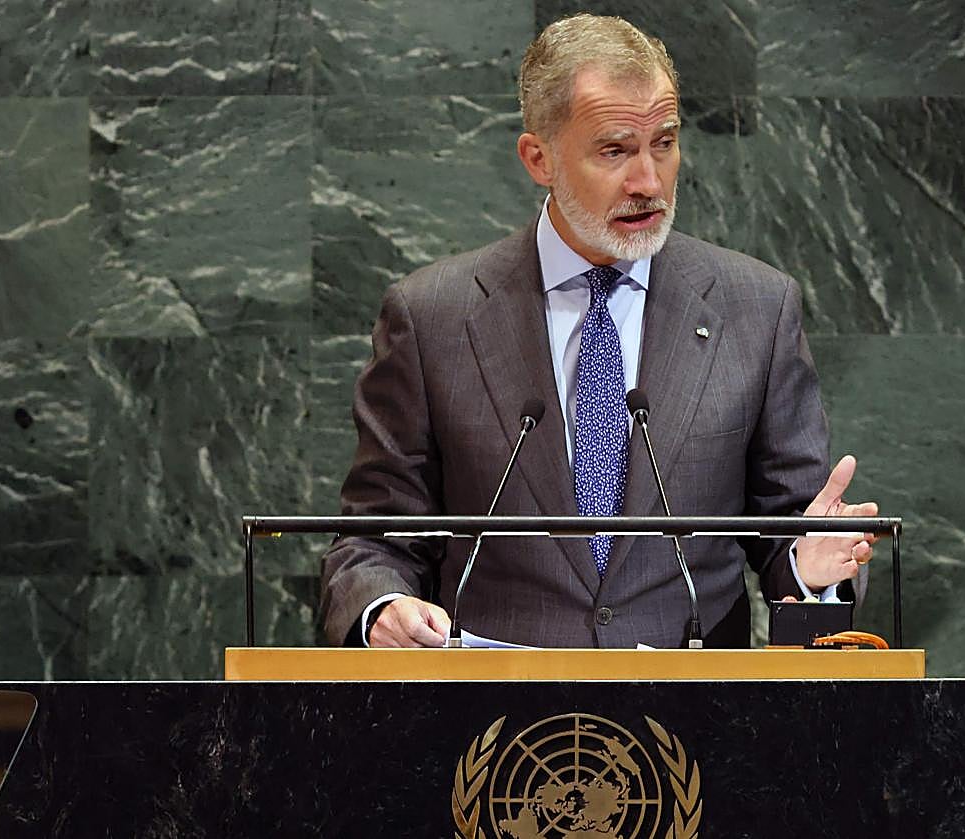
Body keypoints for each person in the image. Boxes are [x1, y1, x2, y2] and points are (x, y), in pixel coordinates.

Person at [320, 14, 878, 649]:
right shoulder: (432, 316)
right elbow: (375, 537)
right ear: (540, 158)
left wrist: (811, 572)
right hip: (492, 723)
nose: (648, 181)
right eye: (615, 150)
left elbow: (791, 535)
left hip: (696, 722)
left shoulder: (756, 308)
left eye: (663, 144)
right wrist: (383, 608)